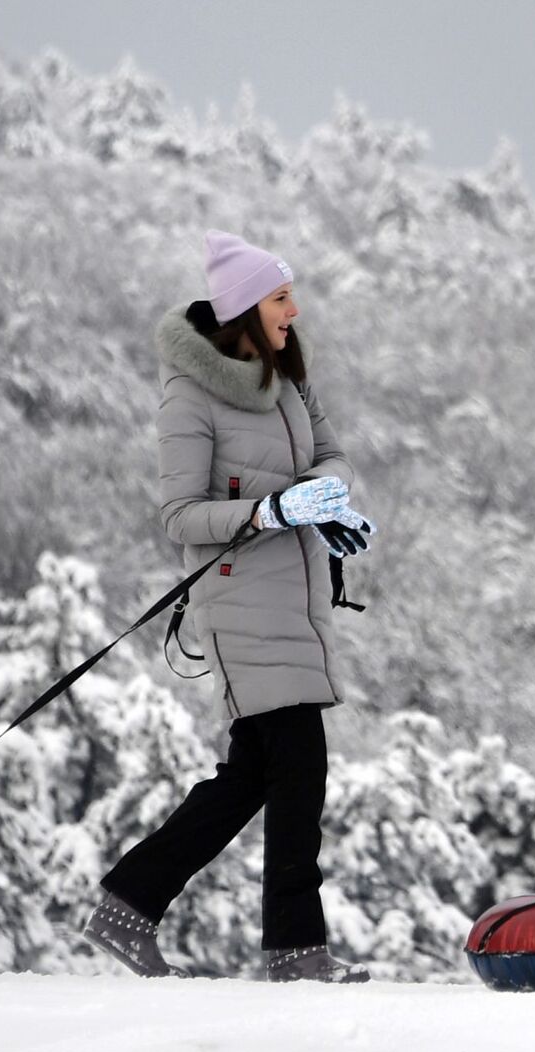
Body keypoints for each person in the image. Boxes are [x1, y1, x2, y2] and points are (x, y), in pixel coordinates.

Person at [84, 231, 374, 983]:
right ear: (245, 306)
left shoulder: (286, 380)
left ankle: (128, 903)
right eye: (282, 297)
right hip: (241, 601)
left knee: (252, 779)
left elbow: (333, 454)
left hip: (299, 599)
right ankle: (296, 951)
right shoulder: (189, 397)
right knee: (299, 768)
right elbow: (181, 516)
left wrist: (326, 499)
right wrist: (271, 511)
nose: (295, 310)